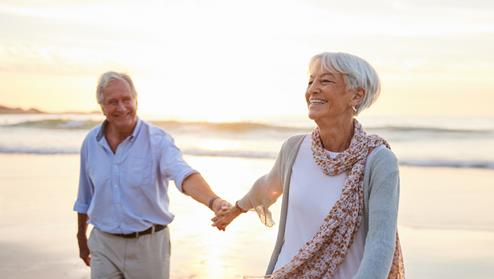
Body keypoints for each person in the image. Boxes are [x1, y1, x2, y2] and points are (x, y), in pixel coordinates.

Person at [213, 52, 405, 278]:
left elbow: (381, 242)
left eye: (325, 81)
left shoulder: (378, 160)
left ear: (356, 96)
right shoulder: (294, 149)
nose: (313, 89)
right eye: (310, 81)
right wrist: (236, 209)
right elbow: (267, 186)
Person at [74, 71, 230, 279]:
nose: (121, 108)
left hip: (148, 246)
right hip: (104, 244)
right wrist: (81, 239)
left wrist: (213, 201)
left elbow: (183, 174)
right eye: (112, 102)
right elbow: (85, 196)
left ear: (136, 100)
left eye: (126, 99)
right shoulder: (91, 141)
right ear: (102, 106)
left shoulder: (158, 141)